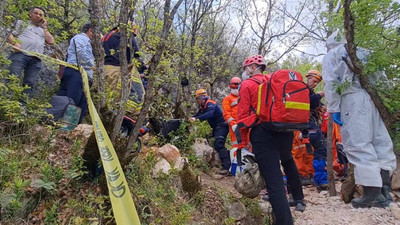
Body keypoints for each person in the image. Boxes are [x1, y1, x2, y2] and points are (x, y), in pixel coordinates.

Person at [322, 30, 396, 208]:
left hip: (352, 99)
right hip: (372, 98)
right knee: (380, 143)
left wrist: (333, 108)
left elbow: (331, 82)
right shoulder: (364, 51)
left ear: (330, 45)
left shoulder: (333, 55)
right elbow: (382, 79)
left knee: (358, 144)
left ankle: (372, 194)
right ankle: (385, 191)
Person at [237, 55, 305, 225]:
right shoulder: (273, 81)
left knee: (274, 182)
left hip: (263, 133)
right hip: (284, 130)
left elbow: (243, 116)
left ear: (253, 67)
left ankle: (285, 222)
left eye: (246, 67)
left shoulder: (248, 84)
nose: (245, 71)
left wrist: (243, 142)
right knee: (288, 161)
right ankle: (299, 198)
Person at [7, 7, 55, 98]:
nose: (38, 16)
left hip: (36, 59)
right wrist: (15, 43)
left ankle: (23, 107)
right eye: (36, 13)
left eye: (40, 15)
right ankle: (8, 103)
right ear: (30, 14)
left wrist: (45, 27)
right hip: (20, 55)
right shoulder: (22, 23)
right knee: (13, 78)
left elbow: (51, 41)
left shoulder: (43, 30)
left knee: (30, 83)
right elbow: (10, 35)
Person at [102, 22, 145, 117]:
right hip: (117, 70)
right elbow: (136, 55)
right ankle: (126, 114)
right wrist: (144, 69)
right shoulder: (126, 36)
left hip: (105, 69)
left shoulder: (108, 35)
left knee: (109, 95)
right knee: (133, 92)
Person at [56, 23, 95, 122]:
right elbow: (80, 54)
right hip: (76, 71)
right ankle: (64, 125)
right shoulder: (81, 38)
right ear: (90, 30)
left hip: (83, 74)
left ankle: (71, 126)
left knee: (82, 102)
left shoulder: (89, 42)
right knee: (73, 99)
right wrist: (93, 66)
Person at [189, 89, 231, 175]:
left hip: (222, 125)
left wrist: (196, 119)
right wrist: (192, 118)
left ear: (201, 98)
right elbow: (198, 115)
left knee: (219, 144)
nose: (197, 101)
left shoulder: (211, 104)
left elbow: (209, 114)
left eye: (197, 99)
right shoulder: (202, 107)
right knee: (213, 143)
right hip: (216, 127)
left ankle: (227, 167)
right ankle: (227, 160)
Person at [302, 70, 329, 190]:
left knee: (320, 149)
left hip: (310, 123)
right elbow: (307, 101)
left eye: (317, 83)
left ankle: (320, 179)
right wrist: (319, 95)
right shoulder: (302, 89)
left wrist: (321, 106)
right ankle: (321, 181)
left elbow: (314, 102)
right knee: (321, 149)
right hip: (307, 124)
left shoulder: (309, 91)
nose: (315, 84)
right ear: (308, 78)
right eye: (314, 81)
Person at [222, 77, 243, 175]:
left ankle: (244, 168)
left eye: (236, 86)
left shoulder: (244, 97)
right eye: (232, 86)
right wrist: (233, 125)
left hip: (246, 126)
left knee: (247, 147)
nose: (234, 88)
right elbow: (227, 114)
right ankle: (236, 169)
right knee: (236, 147)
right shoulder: (228, 99)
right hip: (235, 128)